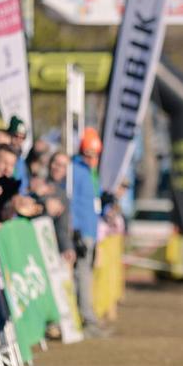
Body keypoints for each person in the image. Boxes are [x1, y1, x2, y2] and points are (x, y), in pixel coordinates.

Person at [72, 128, 103, 335]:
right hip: (80, 233)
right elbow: (73, 202)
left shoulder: (91, 173)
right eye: (88, 154)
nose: (91, 159)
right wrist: (75, 230)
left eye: (95, 155)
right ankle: (87, 319)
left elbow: (93, 204)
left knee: (86, 276)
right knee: (81, 276)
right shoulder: (75, 170)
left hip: (91, 233)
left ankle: (87, 316)